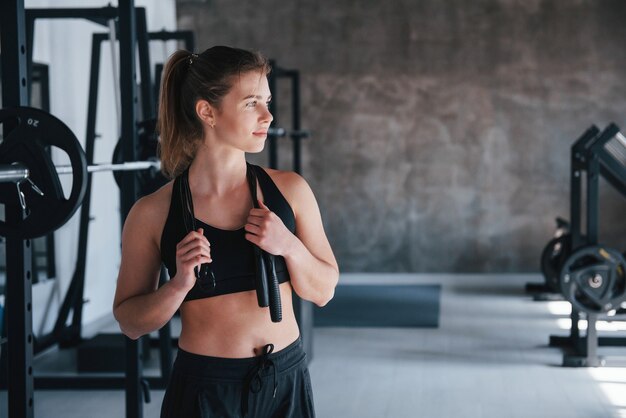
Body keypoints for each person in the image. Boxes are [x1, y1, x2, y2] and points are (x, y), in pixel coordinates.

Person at [112, 46, 339, 418]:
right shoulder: (152, 213)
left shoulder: (291, 191)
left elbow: (324, 291)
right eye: (252, 103)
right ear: (207, 112)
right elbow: (130, 322)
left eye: (267, 101)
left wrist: (289, 246)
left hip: (285, 381)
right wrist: (178, 285)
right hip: (205, 390)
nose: (268, 114)